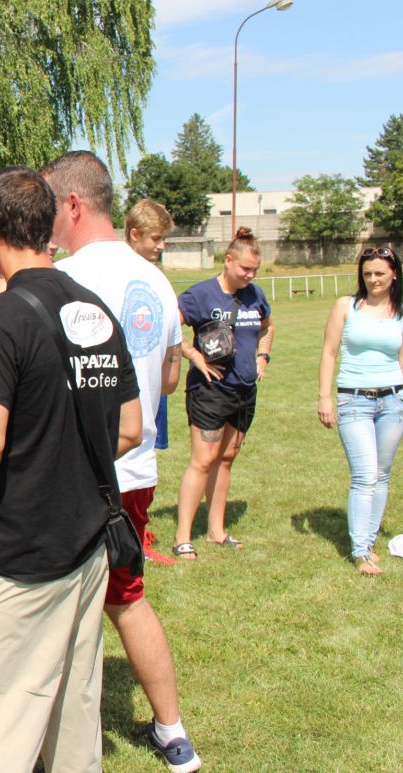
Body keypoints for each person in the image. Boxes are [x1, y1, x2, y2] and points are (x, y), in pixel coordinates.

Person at [0, 165, 140, 773]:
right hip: (85, 549)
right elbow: (129, 428)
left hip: (16, 558)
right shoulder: (95, 309)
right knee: (71, 726)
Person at [46, 151, 201, 773]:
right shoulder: (156, 280)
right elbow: (167, 381)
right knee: (127, 597)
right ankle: (172, 730)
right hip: (136, 470)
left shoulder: (65, 278)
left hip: (82, 471)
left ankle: (59, 742)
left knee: (57, 607)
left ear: (73, 204)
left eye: (49, 205)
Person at [317, 246, 403, 575]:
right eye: (367, 274)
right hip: (354, 401)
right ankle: (360, 551)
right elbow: (329, 352)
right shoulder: (346, 307)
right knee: (364, 475)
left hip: (394, 402)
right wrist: (324, 397)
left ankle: (369, 540)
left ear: (394, 275)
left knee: (381, 475)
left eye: (379, 273)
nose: (373, 279)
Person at [172, 227, 274, 558]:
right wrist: (194, 355)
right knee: (203, 460)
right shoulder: (201, 295)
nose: (250, 275)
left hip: (244, 391)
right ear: (228, 260)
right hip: (210, 391)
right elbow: (169, 325)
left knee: (226, 459)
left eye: (255, 270)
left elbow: (267, 326)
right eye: (245, 268)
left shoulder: (255, 295)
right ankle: (182, 537)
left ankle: (216, 531)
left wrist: (263, 355)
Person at [126, 199, 177, 460]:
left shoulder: (158, 277)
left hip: (152, 383)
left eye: (164, 238)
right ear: (135, 234)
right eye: (156, 238)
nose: (161, 245)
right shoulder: (116, 274)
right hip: (125, 386)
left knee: (146, 452)